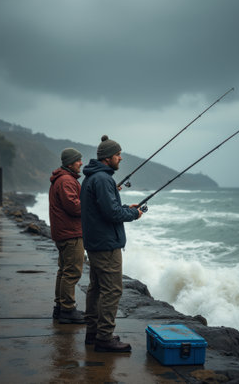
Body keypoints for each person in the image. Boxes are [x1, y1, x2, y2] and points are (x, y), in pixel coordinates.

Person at [81, 135, 143, 352]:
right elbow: (111, 213)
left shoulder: (92, 178)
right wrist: (133, 214)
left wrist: (127, 207)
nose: (121, 158)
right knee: (112, 290)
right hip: (106, 244)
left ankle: (93, 333)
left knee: (96, 288)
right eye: (118, 154)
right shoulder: (103, 179)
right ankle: (104, 337)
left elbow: (105, 208)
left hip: (95, 241)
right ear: (108, 158)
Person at [49, 148, 85, 324]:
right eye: (78, 160)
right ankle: (68, 310)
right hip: (71, 233)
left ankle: (60, 307)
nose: (81, 163)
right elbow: (75, 207)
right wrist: (92, 202)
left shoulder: (63, 179)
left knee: (63, 272)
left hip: (63, 232)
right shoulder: (66, 180)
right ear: (70, 162)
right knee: (72, 272)